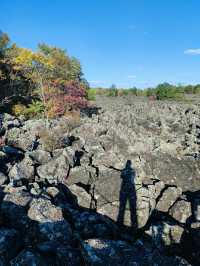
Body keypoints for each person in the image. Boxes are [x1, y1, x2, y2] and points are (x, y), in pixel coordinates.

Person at [117, 160, 137, 229]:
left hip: (124, 189)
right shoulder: (133, 171)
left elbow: (121, 176)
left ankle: (120, 225)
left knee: (122, 206)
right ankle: (134, 226)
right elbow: (134, 176)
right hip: (131, 189)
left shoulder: (124, 170)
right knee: (133, 207)